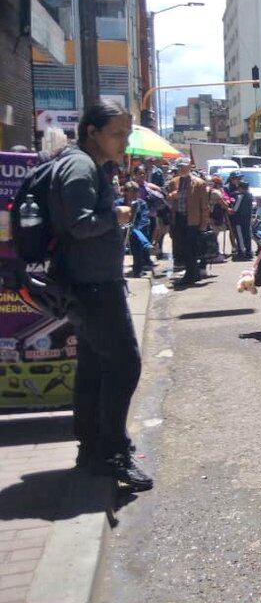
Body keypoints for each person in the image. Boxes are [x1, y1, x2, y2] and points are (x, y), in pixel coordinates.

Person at [50, 102, 152, 491]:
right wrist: (118, 216)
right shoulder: (79, 166)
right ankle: (112, 452)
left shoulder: (85, 165)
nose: (124, 142)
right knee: (125, 365)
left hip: (90, 283)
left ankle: (92, 448)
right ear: (91, 131)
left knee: (94, 367)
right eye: (118, 134)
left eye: (126, 134)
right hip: (93, 287)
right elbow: (78, 224)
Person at [166, 158, 210, 287]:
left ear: (189, 167)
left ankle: (190, 275)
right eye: (179, 167)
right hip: (178, 219)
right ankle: (193, 272)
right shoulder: (174, 182)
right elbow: (169, 201)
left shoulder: (199, 183)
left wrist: (203, 224)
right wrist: (171, 197)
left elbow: (204, 206)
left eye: (183, 167)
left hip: (192, 221)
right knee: (181, 248)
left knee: (190, 249)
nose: (181, 169)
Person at [122, 182, 153, 278]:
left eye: (136, 191)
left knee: (136, 238)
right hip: (121, 230)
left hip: (136, 229)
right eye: (131, 192)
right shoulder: (118, 203)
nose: (134, 194)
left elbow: (144, 219)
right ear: (125, 192)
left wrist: (133, 229)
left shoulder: (141, 203)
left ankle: (137, 270)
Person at [230, 181, 253, 260]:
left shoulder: (240, 197)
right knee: (247, 235)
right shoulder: (250, 196)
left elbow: (235, 209)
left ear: (241, 188)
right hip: (247, 219)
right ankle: (249, 251)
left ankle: (242, 252)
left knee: (240, 236)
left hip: (239, 220)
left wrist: (230, 209)